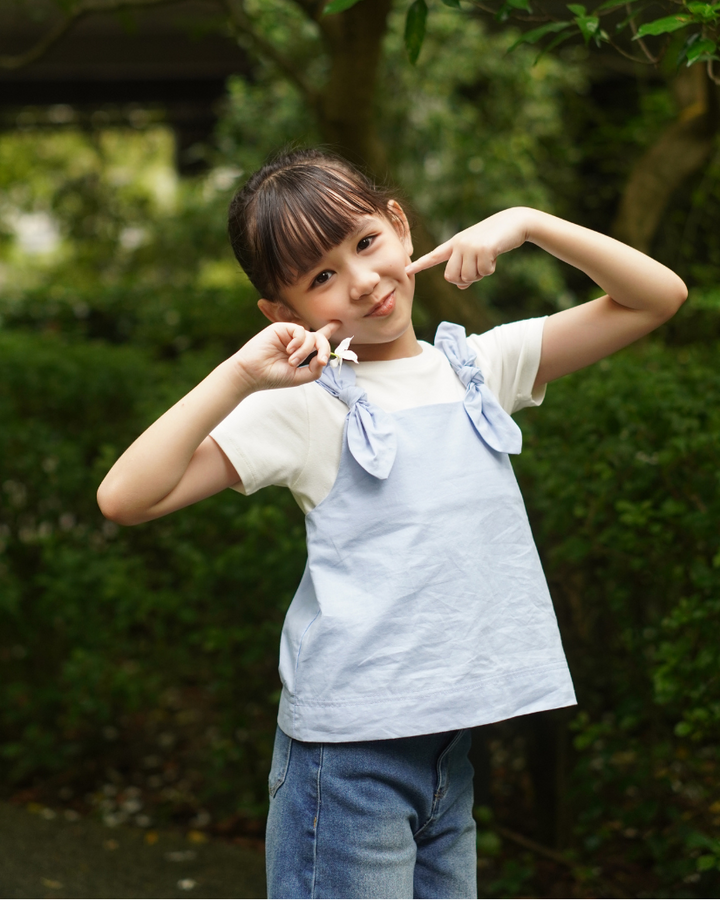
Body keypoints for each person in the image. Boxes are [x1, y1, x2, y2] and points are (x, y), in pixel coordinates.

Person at [97, 148, 687, 899]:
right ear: (285, 314)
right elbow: (126, 496)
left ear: (400, 227)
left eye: (366, 243)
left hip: (448, 749)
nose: (362, 281)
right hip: (346, 764)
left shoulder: (480, 367)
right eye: (320, 278)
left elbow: (657, 297)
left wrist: (528, 223)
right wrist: (242, 374)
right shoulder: (304, 406)